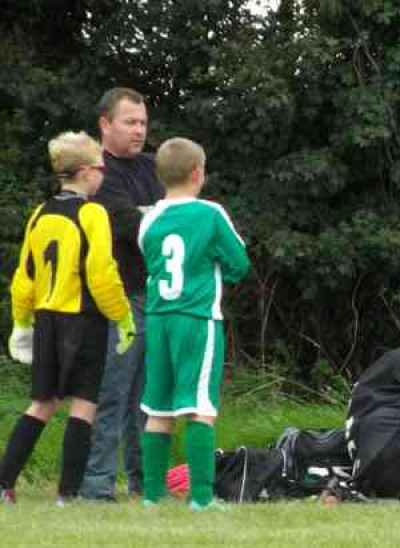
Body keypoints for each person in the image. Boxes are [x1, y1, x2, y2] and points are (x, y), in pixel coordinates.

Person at [1, 131, 135, 504]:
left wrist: (22, 322)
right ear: (87, 172)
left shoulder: (39, 214)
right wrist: (123, 317)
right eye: (102, 169)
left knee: (42, 403)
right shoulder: (93, 213)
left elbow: (23, 276)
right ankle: (67, 494)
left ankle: (3, 483)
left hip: (46, 319)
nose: (104, 176)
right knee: (84, 404)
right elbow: (101, 271)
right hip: (83, 320)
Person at [137, 137, 249, 510]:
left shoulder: (149, 218)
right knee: (199, 406)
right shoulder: (210, 214)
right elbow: (239, 262)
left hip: (157, 319)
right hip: (197, 319)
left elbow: (150, 261)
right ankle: (202, 497)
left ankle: (152, 496)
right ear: (198, 173)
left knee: (158, 408)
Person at [83, 87, 165, 501]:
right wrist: (154, 216)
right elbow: (127, 227)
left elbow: (175, 216)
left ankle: (145, 480)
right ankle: (97, 484)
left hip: (158, 295)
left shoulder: (154, 166)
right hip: (118, 300)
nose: (139, 130)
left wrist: (149, 215)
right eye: (130, 122)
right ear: (105, 124)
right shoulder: (96, 171)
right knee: (112, 393)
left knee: (149, 399)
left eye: (143, 122)